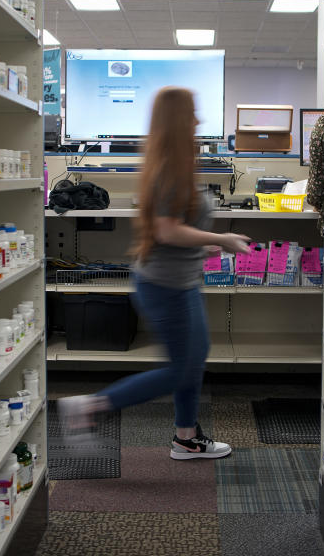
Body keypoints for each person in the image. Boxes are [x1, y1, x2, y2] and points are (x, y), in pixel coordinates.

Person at [59, 87, 251, 459]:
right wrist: (220, 238)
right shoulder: (169, 170)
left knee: (194, 358)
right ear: (179, 120)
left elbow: (174, 228)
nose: (199, 121)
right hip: (165, 286)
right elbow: (166, 230)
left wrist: (202, 243)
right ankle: (91, 406)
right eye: (192, 114)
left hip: (175, 280)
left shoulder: (173, 163)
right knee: (181, 369)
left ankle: (186, 437)